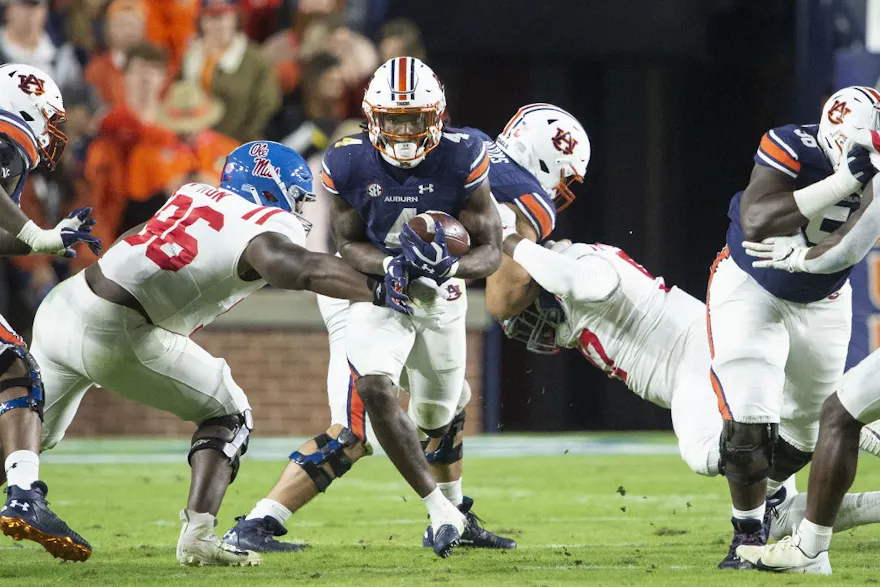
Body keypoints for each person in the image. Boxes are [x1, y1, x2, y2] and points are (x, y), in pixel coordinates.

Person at [222, 103, 585, 555]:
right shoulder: (516, 187)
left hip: (417, 287)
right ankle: (258, 521)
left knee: (451, 405)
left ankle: (454, 514)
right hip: (365, 285)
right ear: (552, 161)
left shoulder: (469, 141)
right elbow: (502, 297)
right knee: (356, 429)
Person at [31, 141, 410, 566]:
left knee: (26, 438)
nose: (300, 209)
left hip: (65, 304)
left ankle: (23, 488)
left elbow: (128, 240)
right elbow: (293, 267)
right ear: (273, 187)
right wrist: (379, 286)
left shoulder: (191, 193)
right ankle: (199, 536)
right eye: (297, 197)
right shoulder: (262, 223)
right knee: (228, 413)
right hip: (117, 329)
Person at [497, 212, 880, 543]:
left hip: (693, 355)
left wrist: (510, 240)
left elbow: (576, 283)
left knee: (702, 452)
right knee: (776, 519)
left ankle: (829, 423)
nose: (534, 321)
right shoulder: (572, 267)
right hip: (694, 357)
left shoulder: (581, 262)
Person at [706, 85, 879, 569]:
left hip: (823, 298)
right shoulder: (792, 144)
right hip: (751, 287)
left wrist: (802, 259)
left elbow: (850, 244)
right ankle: (747, 534)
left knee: (810, 433)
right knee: (748, 422)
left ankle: (777, 502)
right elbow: (757, 220)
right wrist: (842, 180)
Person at [0, 63, 100, 562]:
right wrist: (38, 235)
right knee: (16, 371)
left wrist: (49, 240)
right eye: (49, 119)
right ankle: (23, 498)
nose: (53, 133)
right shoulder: (5, 137)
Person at [478, 103, 590, 320]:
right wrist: (547, 278)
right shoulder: (525, 199)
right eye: (564, 175)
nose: (560, 186)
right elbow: (501, 304)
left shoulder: (474, 139)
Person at [181, 0, 280, 142]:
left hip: (236, 146)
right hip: (192, 145)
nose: (219, 24)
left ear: (236, 19)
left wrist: (245, 143)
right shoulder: (191, 55)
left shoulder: (256, 60)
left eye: (224, 16)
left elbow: (267, 106)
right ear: (201, 22)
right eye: (211, 17)